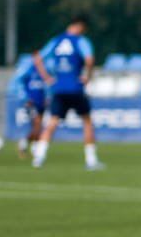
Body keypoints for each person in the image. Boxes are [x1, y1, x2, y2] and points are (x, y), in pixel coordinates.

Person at [31, 16, 103, 170]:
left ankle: (39, 157)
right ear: (80, 26)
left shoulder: (55, 41)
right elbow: (89, 60)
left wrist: (47, 78)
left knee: (52, 123)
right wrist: (88, 76)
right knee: (87, 121)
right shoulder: (81, 41)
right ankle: (91, 160)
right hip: (76, 88)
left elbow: (37, 59)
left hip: (58, 88)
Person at [11, 56, 47, 159]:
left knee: (38, 127)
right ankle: (35, 148)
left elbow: (46, 85)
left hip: (41, 102)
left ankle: (24, 144)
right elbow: (19, 82)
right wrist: (25, 97)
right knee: (37, 124)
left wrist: (47, 97)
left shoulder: (44, 70)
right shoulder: (28, 70)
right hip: (31, 102)